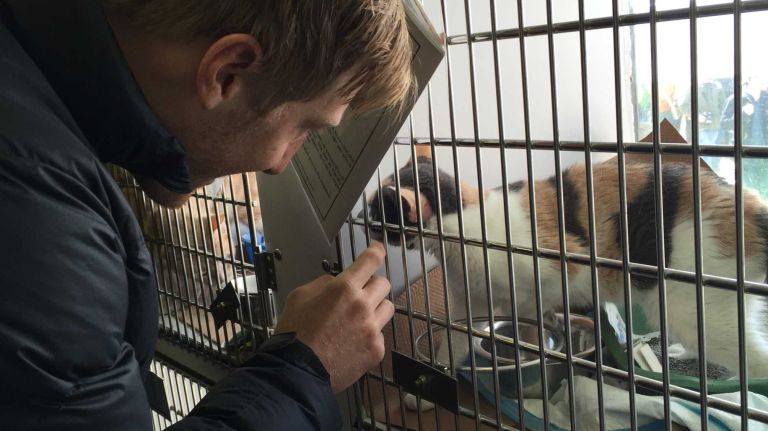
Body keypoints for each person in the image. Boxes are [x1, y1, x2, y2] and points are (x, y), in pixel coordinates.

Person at [0, 0, 412, 429]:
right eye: (304, 127)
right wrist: (304, 368)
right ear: (226, 72)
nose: (280, 162)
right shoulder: (41, 224)